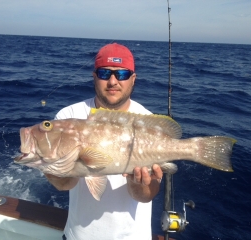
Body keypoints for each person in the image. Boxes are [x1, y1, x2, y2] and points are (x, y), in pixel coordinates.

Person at [45, 43, 163, 240]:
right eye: (104, 73)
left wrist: (138, 184)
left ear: (133, 79)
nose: (113, 81)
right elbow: (64, 184)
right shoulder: (69, 116)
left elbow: (146, 196)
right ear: (94, 77)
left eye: (122, 74)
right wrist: (52, 164)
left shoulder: (148, 121)